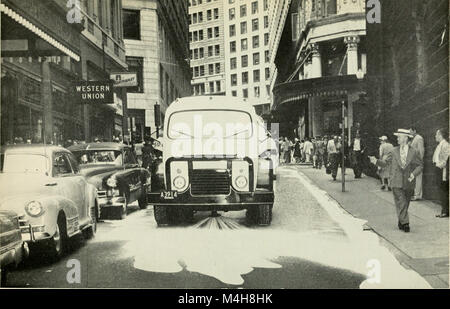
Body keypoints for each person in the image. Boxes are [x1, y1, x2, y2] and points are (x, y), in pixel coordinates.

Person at [369, 129, 423, 233]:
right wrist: (376, 161)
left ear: (406, 138)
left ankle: (401, 220)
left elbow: (420, 166)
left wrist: (413, 174)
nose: (397, 138)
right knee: (401, 201)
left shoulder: (414, 151)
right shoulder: (393, 151)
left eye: (399, 137)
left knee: (405, 203)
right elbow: (385, 163)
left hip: (409, 181)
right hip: (396, 181)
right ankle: (406, 223)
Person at [432, 128, 449, 218]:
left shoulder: (445, 145)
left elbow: (445, 160)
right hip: (438, 169)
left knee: (443, 191)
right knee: (441, 191)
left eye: (436, 134)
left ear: (441, 135)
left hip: (442, 170)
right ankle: (444, 210)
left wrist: (438, 166)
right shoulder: (440, 145)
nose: (435, 136)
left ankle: (445, 211)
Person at [409, 126, 424, 200]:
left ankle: (417, 195)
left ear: (414, 131)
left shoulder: (419, 138)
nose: (410, 133)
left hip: (417, 161)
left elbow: (421, 151)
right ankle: (416, 194)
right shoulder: (413, 139)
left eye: (411, 131)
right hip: (414, 161)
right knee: (415, 177)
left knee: (418, 178)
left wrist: (420, 161)